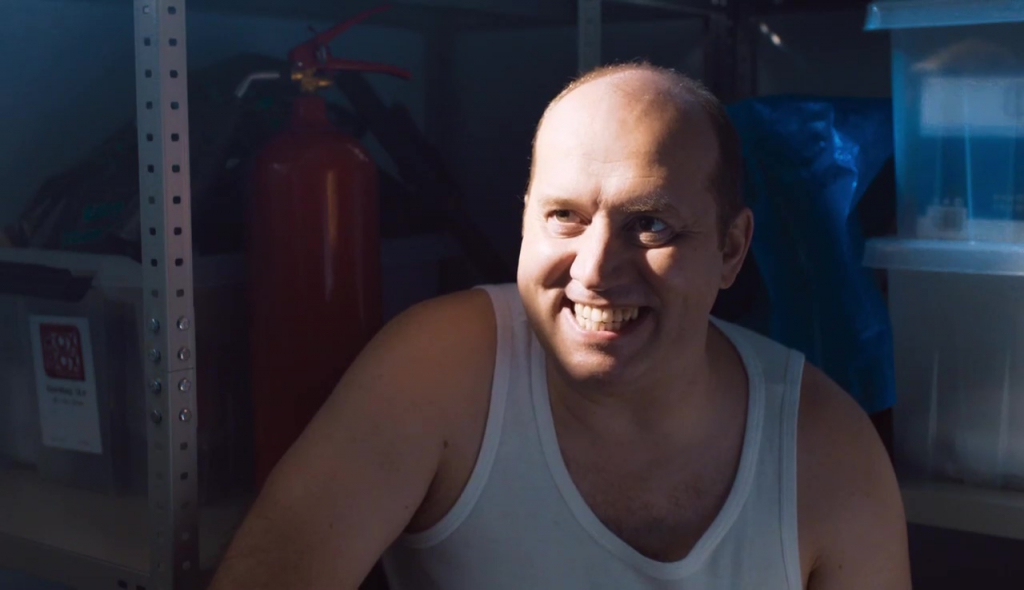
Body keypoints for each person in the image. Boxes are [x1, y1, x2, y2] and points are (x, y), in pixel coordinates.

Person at [208, 62, 911, 590]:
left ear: (730, 250)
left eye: (651, 224)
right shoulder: (437, 372)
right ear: (525, 223)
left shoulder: (825, 452)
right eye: (565, 217)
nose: (595, 270)